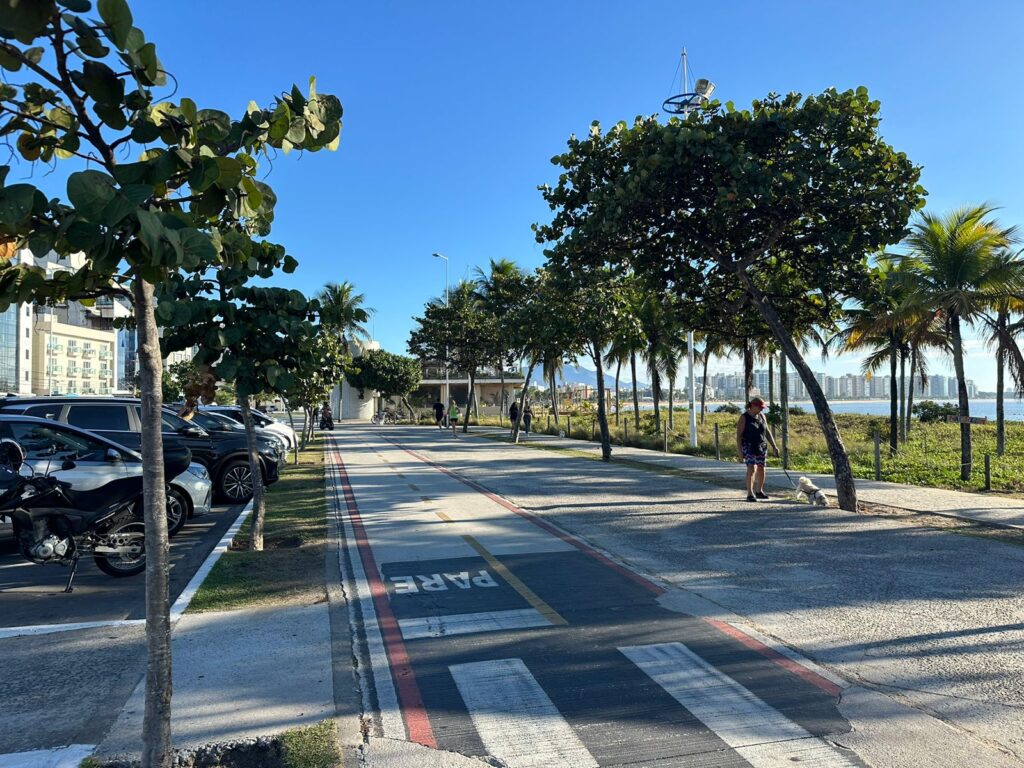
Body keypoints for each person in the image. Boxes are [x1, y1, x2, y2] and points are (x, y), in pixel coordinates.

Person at [736, 396, 779, 502]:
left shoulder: (762, 416)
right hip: (749, 445)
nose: (762, 409)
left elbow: (767, 432)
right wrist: (740, 453)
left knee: (761, 468)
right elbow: (739, 436)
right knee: (751, 469)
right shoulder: (744, 417)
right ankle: (750, 493)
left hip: (761, 446)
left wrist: (774, 446)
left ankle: (759, 491)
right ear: (753, 406)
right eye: (760, 407)